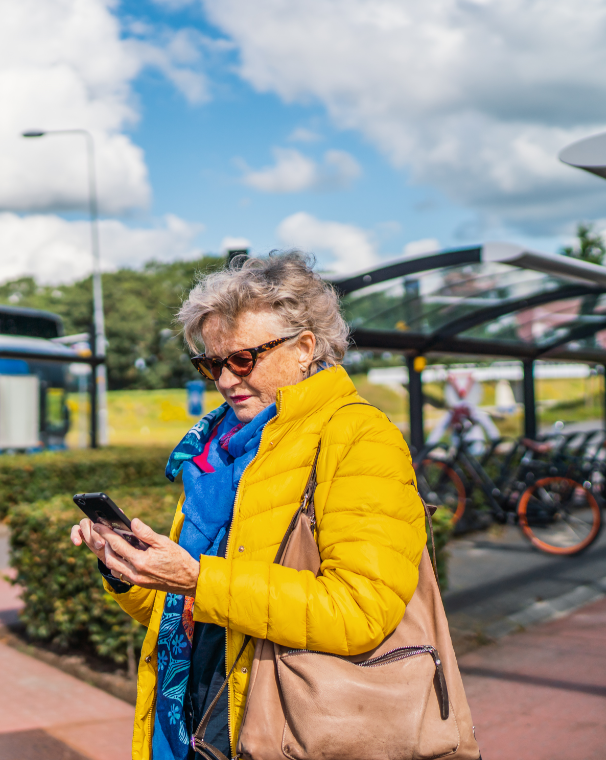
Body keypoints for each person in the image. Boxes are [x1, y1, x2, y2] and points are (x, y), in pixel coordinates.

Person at [71, 251, 425, 760]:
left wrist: (197, 577)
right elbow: (185, 613)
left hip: (286, 728)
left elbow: (360, 611)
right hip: (200, 721)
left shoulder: (360, 437)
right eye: (212, 363)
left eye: (242, 359)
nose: (225, 380)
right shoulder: (213, 450)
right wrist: (129, 570)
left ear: (305, 347)